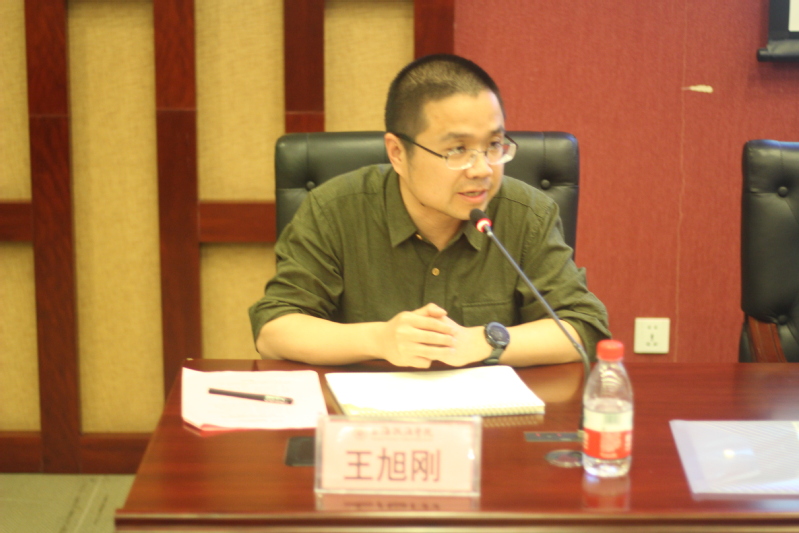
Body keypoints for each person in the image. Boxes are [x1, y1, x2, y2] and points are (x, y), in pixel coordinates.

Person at [249, 54, 610, 368]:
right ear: (397, 153)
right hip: (368, 416)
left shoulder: (527, 213)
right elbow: (274, 329)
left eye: (494, 144)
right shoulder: (334, 210)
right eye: (457, 150)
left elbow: (584, 327)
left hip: (489, 417)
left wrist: (483, 341)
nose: (482, 169)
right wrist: (379, 339)